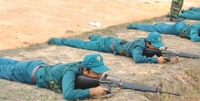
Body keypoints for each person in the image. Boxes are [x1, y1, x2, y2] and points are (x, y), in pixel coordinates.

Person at [0, 53, 111, 101]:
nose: (99, 75)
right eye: (97, 72)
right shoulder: (71, 72)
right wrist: (92, 92)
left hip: (36, 66)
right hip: (28, 73)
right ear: (86, 70)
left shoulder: (80, 68)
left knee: (10, 65)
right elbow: (68, 94)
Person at [47, 32, 178, 64]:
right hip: (107, 46)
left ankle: (94, 36)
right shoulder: (139, 46)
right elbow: (137, 59)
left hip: (114, 41)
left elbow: (153, 53)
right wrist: (156, 61)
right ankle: (58, 40)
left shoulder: (145, 43)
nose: (157, 48)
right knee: (83, 44)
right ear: (148, 43)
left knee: (98, 39)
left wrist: (167, 58)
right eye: (155, 46)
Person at [128, 18, 200, 43]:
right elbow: (194, 38)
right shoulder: (196, 27)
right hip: (177, 29)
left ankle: (159, 24)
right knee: (157, 29)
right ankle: (136, 25)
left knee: (162, 26)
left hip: (182, 25)